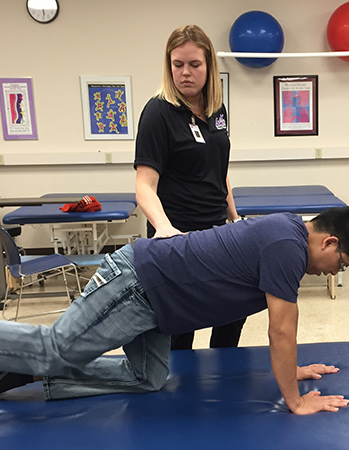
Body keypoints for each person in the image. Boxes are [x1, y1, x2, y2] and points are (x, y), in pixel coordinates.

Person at [0, 206, 349, 416]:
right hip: (141, 285)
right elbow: (281, 332)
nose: (335, 272)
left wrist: (295, 369)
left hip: (162, 306)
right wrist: (296, 398)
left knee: (149, 378)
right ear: (328, 241)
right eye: (341, 262)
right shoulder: (288, 247)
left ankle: (33, 373)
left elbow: (284, 337)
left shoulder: (286, 234)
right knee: (54, 346)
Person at [133, 24, 244, 351]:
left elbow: (218, 170)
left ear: (209, 66)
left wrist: (234, 218)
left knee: (233, 310)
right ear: (169, 66)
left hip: (217, 233)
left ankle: (222, 375)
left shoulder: (216, 111)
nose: (185, 73)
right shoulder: (158, 113)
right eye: (177, 64)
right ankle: (178, 392)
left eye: (194, 65)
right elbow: (144, 185)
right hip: (177, 236)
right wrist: (165, 229)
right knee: (181, 326)